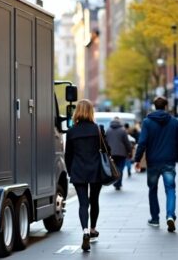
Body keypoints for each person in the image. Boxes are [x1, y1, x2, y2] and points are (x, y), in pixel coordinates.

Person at [134, 96, 178, 232]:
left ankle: (155, 218)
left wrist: (137, 159)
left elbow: (142, 142)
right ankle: (170, 215)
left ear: (154, 106)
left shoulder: (147, 122)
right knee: (170, 189)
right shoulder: (174, 122)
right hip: (169, 161)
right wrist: (176, 154)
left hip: (153, 162)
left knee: (152, 189)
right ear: (166, 106)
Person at [65, 99, 108, 252]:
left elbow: (67, 155)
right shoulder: (98, 129)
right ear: (91, 112)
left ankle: (84, 230)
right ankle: (93, 229)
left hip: (78, 171)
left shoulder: (71, 132)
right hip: (95, 171)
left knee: (83, 203)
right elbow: (106, 150)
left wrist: (71, 172)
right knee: (94, 200)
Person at [106, 117, 132, 190]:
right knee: (120, 168)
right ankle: (118, 182)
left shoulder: (108, 130)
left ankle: (115, 181)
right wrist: (130, 151)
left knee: (113, 168)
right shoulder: (123, 130)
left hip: (111, 153)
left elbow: (105, 142)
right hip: (122, 153)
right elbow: (127, 142)